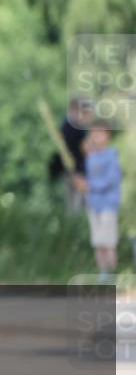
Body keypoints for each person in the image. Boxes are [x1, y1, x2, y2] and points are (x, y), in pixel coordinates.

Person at [80, 121, 121, 282]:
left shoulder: (112, 156)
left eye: (100, 133)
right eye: (93, 133)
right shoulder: (89, 158)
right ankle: (102, 274)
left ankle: (112, 275)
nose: (96, 136)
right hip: (93, 204)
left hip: (108, 205)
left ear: (107, 136)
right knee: (98, 242)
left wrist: (89, 186)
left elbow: (110, 181)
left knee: (108, 242)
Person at [48, 98, 92, 213]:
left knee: (75, 207)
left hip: (72, 171)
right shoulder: (75, 127)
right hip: (76, 172)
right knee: (77, 208)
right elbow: (85, 150)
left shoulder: (66, 124)